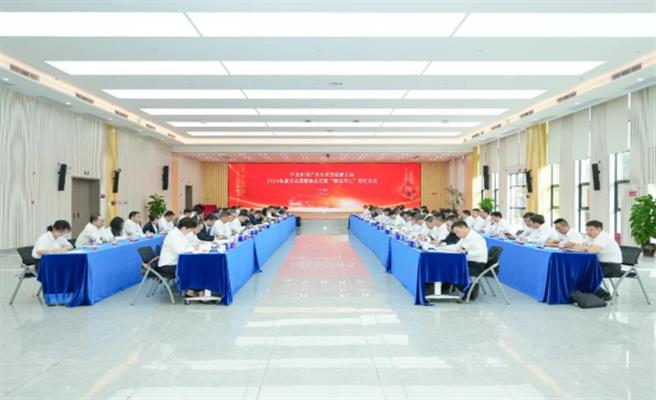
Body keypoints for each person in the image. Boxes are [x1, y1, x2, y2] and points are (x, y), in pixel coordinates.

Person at [157, 218, 199, 297]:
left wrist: (192, 247)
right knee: (194, 268)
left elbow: (188, 245)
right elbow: (180, 251)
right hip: (168, 264)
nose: (190, 232)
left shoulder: (181, 234)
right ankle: (191, 291)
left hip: (177, 261)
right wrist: (192, 248)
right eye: (190, 230)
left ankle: (196, 289)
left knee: (197, 266)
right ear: (184, 228)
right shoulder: (173, 235)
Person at [452, 220, 489, 300]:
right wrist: (442, 246)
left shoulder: (476, 237)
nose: (457, 235)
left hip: (477, 264)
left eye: (457, 232)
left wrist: (466, 252)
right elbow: (456, 247)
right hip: (468, 262)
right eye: (455, 233)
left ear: (464, 227)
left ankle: (469, 289)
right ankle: (470, 288)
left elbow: (480, 252)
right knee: (448, 268)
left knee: (453, 271)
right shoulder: (464, 237)